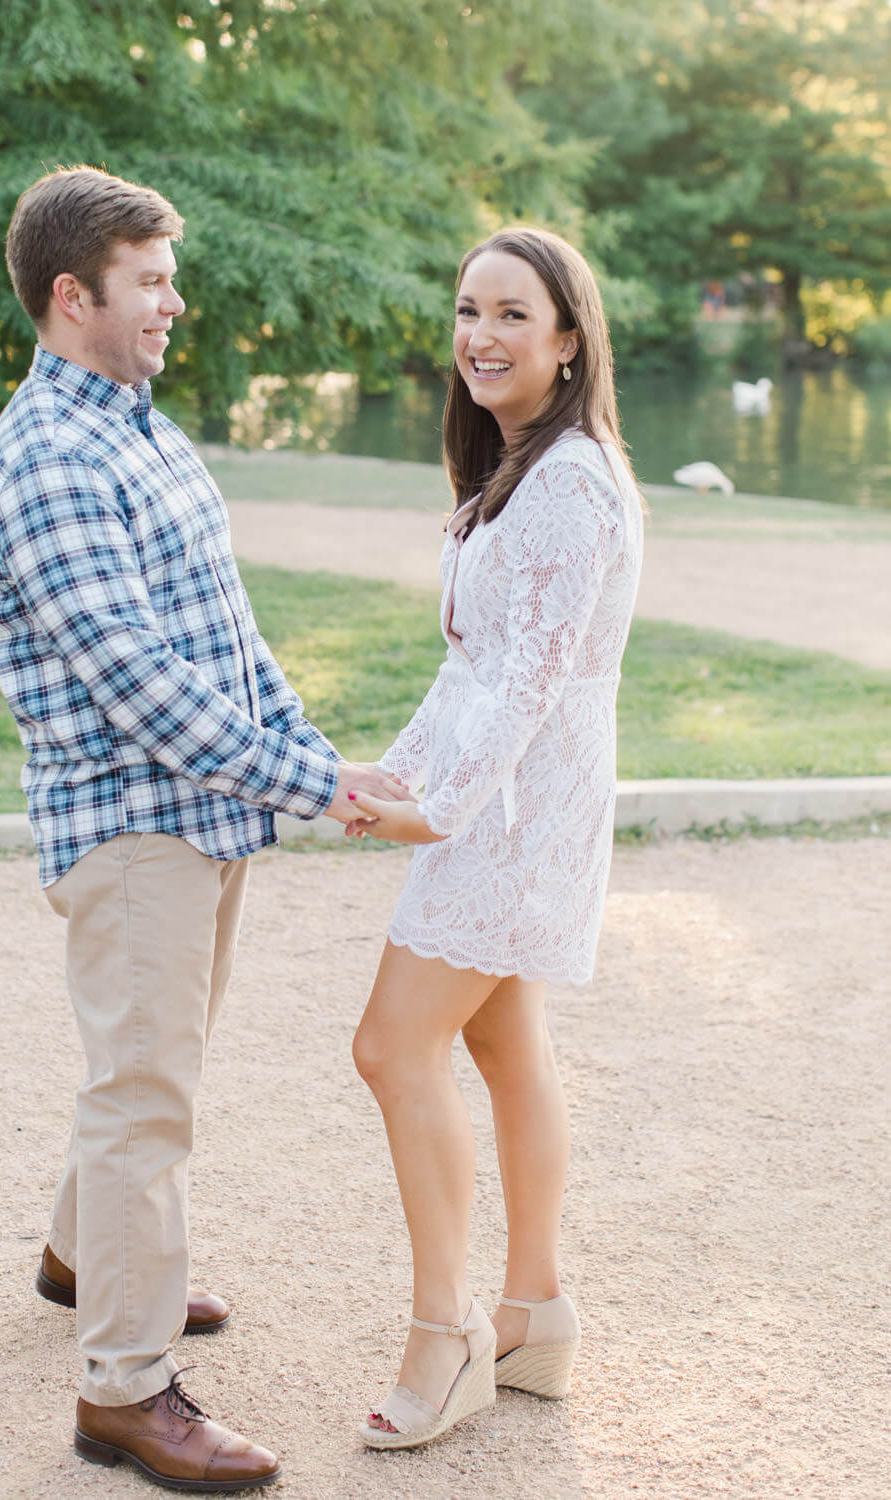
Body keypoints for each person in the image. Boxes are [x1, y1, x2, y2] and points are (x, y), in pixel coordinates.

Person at [0, 165, 408, 1492]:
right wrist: (318, 791)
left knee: (146, 1066)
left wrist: (322, 758)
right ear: (70, 296)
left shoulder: (137, 425)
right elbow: (143, 687)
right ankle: (124, 1388)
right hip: (130, 824)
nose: (174, 303)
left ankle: (74, 1258)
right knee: (145, 1094)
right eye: (149, 282)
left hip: (196, 818)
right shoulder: (51, 454)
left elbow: (224, 636)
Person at [345, 226, 644, 1450]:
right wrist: (393, 771)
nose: (481, 335)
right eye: (470, 310)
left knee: (389, 1048)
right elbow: (469, 667)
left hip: (515, 823)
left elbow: (527, 686)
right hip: (502, 813)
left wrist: (438, 809)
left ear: (569, 340)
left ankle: (449, 1331)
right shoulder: (520, 472)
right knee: (507, 1044)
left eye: (514, 314)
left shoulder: (571, 482)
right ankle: (535, 1309)